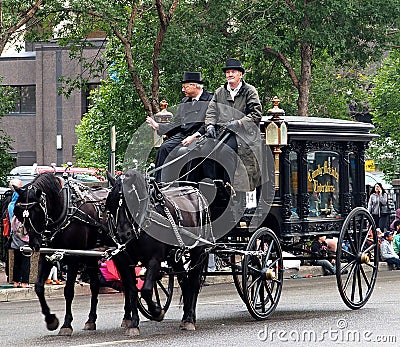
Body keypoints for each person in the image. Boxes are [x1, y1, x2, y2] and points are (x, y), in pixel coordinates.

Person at [203, 58, 263, 189]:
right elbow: (211, 112)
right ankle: (211, 187)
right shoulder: (220, 92)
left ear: (240, 74)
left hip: (244, 136)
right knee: (205, 150)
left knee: (225, 151)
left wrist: (239, 123)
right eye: (228, 72)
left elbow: (256, 114)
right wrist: (210, 126)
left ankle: (229, 188)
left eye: (233, 72)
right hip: (223, 133)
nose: (230, 74)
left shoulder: (250, 91)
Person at [146, 71, 213, 182]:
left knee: (190, 151)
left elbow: (209, 123)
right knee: (164, 148)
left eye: (185, 87)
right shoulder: (185, 101)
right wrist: (158, 126)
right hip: (183, 135)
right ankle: (160, 185)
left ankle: (188, 186)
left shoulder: (210, 99)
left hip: (201, 136)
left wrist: (194, 137)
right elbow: (177, 123)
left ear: (194, 85)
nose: (183, 90)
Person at [8, 178, 31, 288]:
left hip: (14, 235)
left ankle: (16, 281)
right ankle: (24, 282)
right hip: (23, 235)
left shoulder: (10, 205)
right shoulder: (22, 206)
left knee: (16, 260)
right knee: (26, 259)